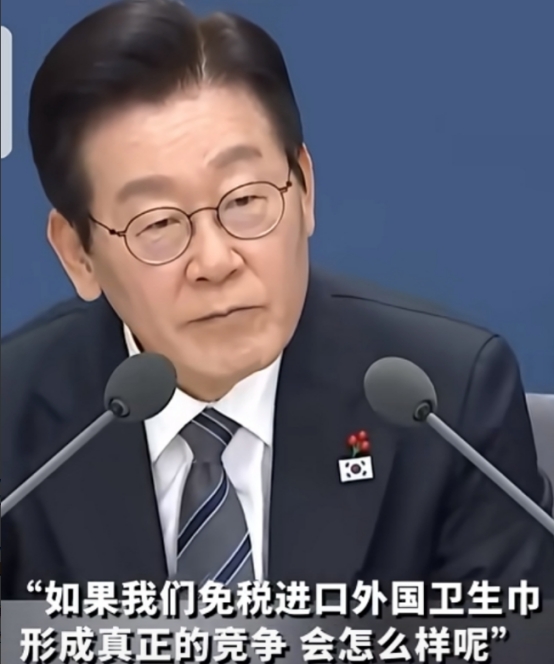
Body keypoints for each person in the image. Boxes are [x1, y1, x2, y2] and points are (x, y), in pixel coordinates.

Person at [2, 0, 553, 599]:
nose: (215, 262)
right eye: (157, 223)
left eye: (244, 201)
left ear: (305, 190)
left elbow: (505, 636)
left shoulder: (448, 401)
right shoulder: (14, 420)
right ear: (78, 254)